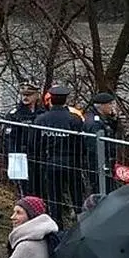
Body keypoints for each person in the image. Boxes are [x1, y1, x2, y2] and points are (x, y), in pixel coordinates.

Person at [33, 84, 85, 226]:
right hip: (71, 162)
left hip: (50, 162)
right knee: (76, 195)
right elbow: (80, 143)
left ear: (50, 100)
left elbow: (35, 144)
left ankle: (57, 225)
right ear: (65, 100)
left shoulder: (41, 120)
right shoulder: (74, 119)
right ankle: (81, 224)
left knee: (54, 197)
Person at [3, 79, 46, 197]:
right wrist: (13, 156)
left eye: (29, 95)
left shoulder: (42, 113)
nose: (25, 97)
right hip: (21, 155)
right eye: (23, 95)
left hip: (39, 155)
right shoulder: (15, 114)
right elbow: (8, 138)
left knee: (41, 187)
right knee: (25, 189)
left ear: (37, 95)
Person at [82, 92, 122, 194]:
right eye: (110, 104)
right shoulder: (94, 123)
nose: (112, 107)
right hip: (98, 163)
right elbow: (93, 146)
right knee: (101, 189)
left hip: (105, 160)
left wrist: (114, 120)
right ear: (101, 106)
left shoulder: (102, 119)